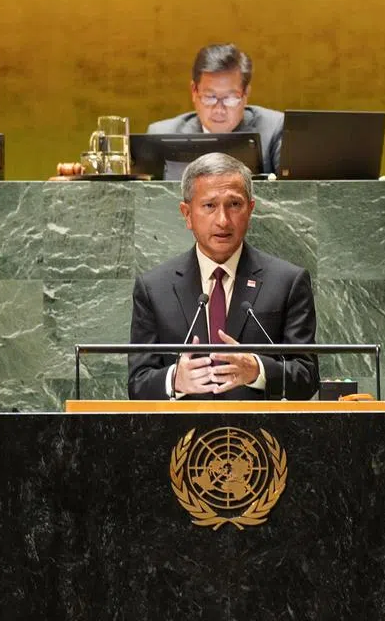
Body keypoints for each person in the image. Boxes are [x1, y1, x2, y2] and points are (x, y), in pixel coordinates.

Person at [127, 153, 318, 400]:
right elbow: (138, 383)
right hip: (181, 434)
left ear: (250, 210)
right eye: (209, 206)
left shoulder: (288, 282)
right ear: (187, 214)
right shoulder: (154, 288)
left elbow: (307, 376)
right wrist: (176, 379)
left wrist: (257, 370)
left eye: (234, 205)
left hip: (261, 433)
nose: (223, 220)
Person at [147, 43, 283, 174]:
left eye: (230, 98)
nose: (219, 109)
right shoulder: (161, 134)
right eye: (210, 97)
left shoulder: (273, 130)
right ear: (194, 91)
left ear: (246, 94)